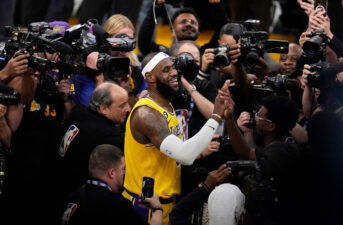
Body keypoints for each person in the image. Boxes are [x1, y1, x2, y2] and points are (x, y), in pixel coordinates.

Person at [123, 52, 228, 224]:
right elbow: (185, 155)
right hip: (146, 207)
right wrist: (215, 116)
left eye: (173, 68)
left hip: (167, 202)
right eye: (166, 70)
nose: (174, 73)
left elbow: (176, 154)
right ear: (149, 77)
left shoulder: (168, 107)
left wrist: (200, 151)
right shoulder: (146, 114)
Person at [224, 94, 301, 225]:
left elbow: (246, 154)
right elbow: (251, 153)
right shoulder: (282, 148)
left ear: (271, 126)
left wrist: (229, 118)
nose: (255, 118)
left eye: (259, 117)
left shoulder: (279, 155)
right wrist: (246, 131)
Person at [58, 82, 131, 198]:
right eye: (122, 105)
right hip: (77, 196)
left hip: (58, 180)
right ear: (103, 108)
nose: (128, 109)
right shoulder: (106, 135)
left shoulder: (78, 112)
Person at [61, 144, 163, 225]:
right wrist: (157, 208)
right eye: (123, 169)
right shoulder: (116, 205)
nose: (124, 173)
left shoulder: (73, 196)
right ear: (112, 173)